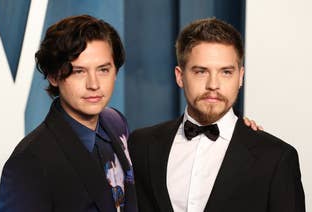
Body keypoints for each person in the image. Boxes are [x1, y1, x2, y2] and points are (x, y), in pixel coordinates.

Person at [128, 18, 305, 212]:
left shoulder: (276, 158)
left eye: (226, 72)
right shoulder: (140, 145)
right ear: (180, 76)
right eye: (201, 72)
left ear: (240, 77)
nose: (213, 84)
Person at [0, 15, 137, 212]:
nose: (94, 84)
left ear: (115, 71)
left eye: (103, 70)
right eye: (79, 71)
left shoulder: (116, 121)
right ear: (54, 76)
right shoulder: (29, 162)